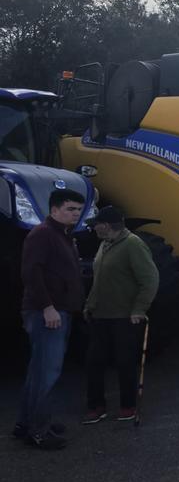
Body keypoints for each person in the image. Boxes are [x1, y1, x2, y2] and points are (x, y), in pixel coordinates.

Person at [15, 189, 84, 449]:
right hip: (48, 314)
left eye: (78, 209)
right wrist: (47, 307)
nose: (75, 214)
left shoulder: (63, 236)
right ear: (54, 210)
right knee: (47, 374)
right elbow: (31, 272)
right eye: (69, 209)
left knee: (38, 372)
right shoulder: (43, 234)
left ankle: (25, 423)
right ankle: (39, 431)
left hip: (60, 311)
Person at [82, 206, 160, 424]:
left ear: (106, 225)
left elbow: (150, 279)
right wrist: (89, 304)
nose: (93, 228)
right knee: (93, 362)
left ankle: (128, 406)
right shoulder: (104, 244)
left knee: (125, 362)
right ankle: (96, 406)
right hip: (100, 315)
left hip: (124, 316)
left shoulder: (133, 244)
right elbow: (99, 280)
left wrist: (139, 308)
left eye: (96, 224)